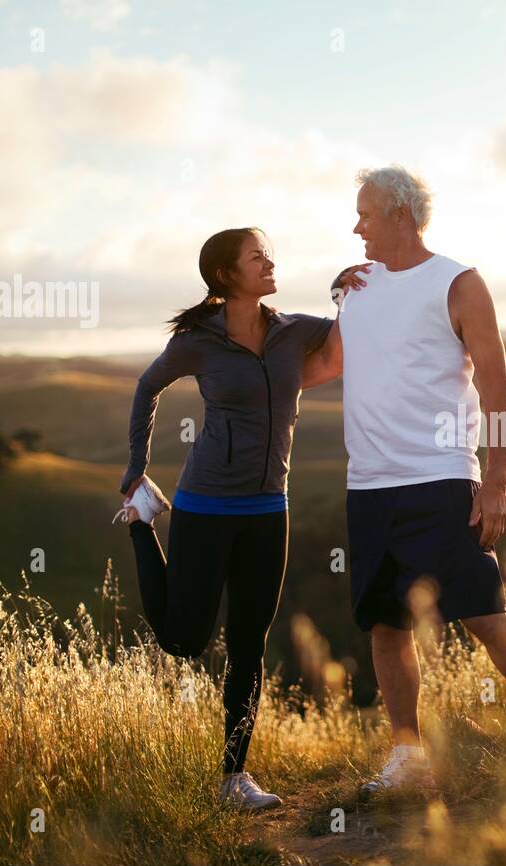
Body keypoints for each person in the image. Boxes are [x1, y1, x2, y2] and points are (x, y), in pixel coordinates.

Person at [306, 166, 506, 798]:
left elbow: (498, 387)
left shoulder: (459, 282)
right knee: (387, 627)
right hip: (368, 486)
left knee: (482, 612)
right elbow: (330, 363)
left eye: (365, 213)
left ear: (400, 214)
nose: (355, 225)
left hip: (440, 479)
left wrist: (497, 483)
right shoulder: (356, 289)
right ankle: (408, 757)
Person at [114, 226, 367, 810]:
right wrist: (136, 464)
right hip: (204, 505)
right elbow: (147, 386)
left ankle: (234, 778)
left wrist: (345, 293)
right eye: (257, 257)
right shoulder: (199, 341)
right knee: (183, 640)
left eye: (269, 253)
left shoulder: (291, 331)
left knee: (250, 643)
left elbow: (346, 342)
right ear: (228, 276)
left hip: (268, 507)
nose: (269, 262)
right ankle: (140, 522)